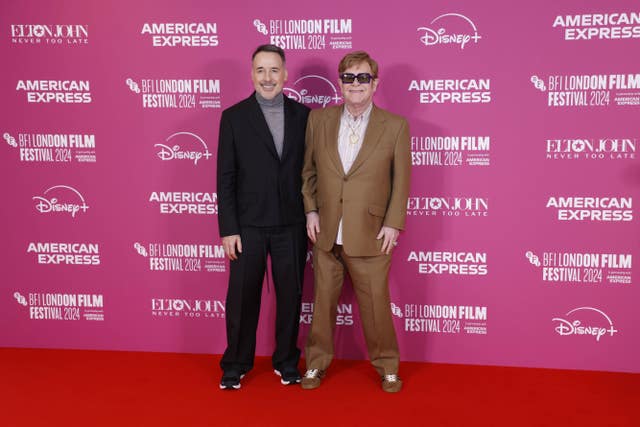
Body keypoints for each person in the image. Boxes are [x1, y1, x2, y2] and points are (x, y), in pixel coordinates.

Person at [301, 51, 411, 393]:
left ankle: (387, 366)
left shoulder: (395, 126)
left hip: (372, 233)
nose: (356, 84)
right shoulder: (318, 120)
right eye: (349, 78)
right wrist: (311, 210)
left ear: (375, 83)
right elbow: (309, 172)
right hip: (326, 231)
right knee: (322, 305)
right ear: (340, 82)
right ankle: (316, 364)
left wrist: (393, 223)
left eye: (363, 78)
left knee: (376, 307)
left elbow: (402, 180)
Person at [216, 44, 310, 390]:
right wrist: (229, 229)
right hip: (247, 226)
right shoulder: (234, 117)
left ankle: (286, 362)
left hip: (292, 224)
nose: (267, 77)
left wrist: (312, 214)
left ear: (285, 75)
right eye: (260, 70)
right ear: (251, 74)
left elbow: (309, 172)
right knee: (242, 298)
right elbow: (225, 178)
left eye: (274, 70)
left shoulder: (305, 116)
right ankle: (236, 363)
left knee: (291, 297)